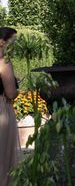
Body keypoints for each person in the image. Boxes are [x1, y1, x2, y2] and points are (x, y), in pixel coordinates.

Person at [0, 27, 19, 186]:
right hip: (2, 109)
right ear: (1, 42)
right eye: (12, 43)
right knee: (4, 158)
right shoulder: (4, 63)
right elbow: (11, 93)